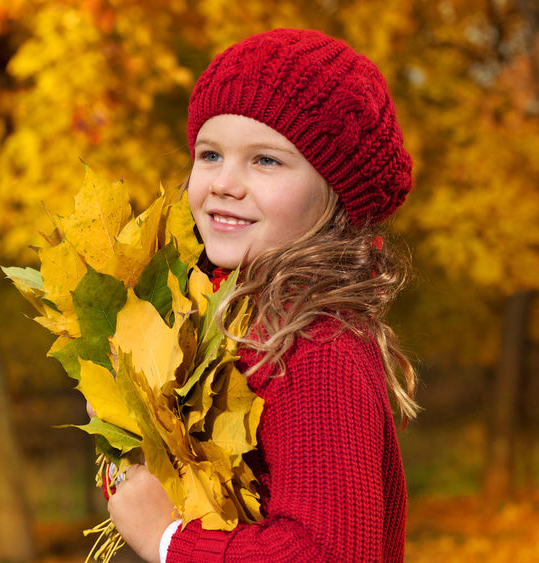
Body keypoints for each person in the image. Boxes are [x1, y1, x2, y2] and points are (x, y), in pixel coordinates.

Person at [105, 28, 420, 562]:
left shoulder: (317, 347)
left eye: (266, 161)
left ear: (335, 194)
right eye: (209, 154)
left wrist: (167, 541)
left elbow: (327, 551)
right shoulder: (216, 318)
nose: (224, 182)